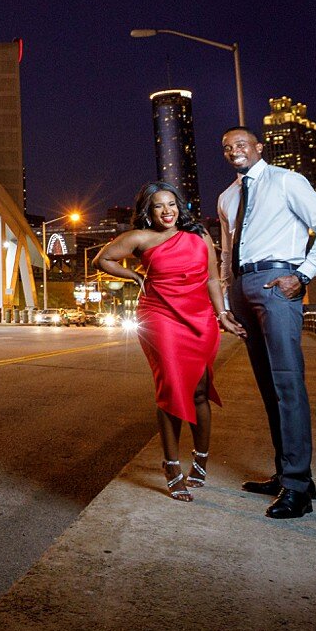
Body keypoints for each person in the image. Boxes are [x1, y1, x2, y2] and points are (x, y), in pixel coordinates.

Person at [217, 126, 316, 520]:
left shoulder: (287, 181)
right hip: (242, 286)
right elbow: (225, 253)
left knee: (287, 382)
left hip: (278, 282)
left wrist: (303, 274)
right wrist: (225, 303)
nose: (234, 151)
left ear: (258, 147)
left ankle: (298, 487)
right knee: (268, 386)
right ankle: (286, 474)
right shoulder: (227, 196)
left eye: (241, 144)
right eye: (226, 148)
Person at [97, 181, 243, 503]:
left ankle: (201, 458)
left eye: (171, 204)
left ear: (180, 206)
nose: (167, 211)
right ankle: (172, 465)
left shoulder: (199, 236)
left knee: (201, 389)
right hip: (160, 316)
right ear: (149, 211)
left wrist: (223, 314)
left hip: (199, 317)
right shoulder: (139, 238)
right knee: (172, 389)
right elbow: (103, 260)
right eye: (159, 206)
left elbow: (212, 279)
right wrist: (135, 276)